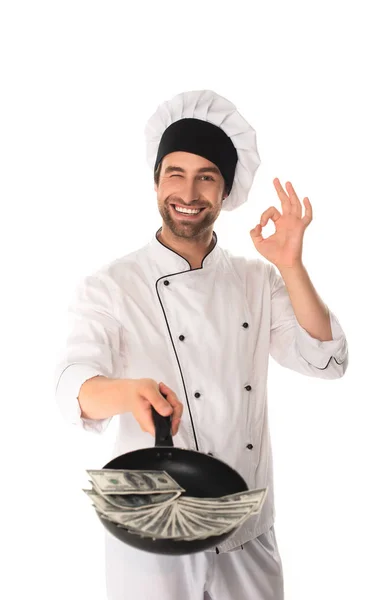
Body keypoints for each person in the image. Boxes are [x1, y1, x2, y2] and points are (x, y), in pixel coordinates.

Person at [54, 90, 349, 600]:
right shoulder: (112, 284)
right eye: (175, 173)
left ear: (225, 191)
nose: (188, 192)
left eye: (206, 176)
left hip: (247, 531)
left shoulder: (257, 281)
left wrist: (291, 265)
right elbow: (71, 387)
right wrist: (129, 393)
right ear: (155, 183)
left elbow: (328, 360)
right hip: (150, 536)